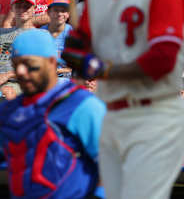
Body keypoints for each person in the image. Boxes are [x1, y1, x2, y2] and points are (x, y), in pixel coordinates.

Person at [62, 0, 184, 199]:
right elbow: (84, 48)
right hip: (111, 115)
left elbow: (162, 59)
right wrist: (77, 50)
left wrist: (105, 69)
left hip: (154, 114)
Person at [0, 29, 105, 199]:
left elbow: (112, 164)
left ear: (51, 62)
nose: (20, 71)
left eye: (28, 64)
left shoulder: (81, 105)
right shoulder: (8, 111)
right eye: (15, 64)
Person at [0, 0, 36, 100]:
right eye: (19, 6)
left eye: (26, 6)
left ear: (34, 9)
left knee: (8, 93)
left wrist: (8, 75)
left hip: (20, 83)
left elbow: (40, 69)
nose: (22, 10)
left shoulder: (40, 36)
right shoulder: (2, 33)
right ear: (12, 9)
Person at [40, 0, 73, 77]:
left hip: (67, 78)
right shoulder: (41, 33)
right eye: (56, 10)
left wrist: (61, 70)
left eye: (63, 11)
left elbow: (79, 65)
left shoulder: (73, 33)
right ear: (48, 12)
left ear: (68, 13)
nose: (59, 14)